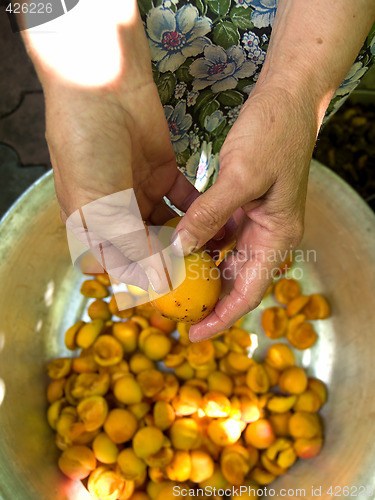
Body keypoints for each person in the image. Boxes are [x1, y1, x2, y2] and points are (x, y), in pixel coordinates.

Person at [21, 0, 375, 341]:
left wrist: (295, 92)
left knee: (244, 174)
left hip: (319, 34)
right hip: (137, 55)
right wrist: (86, 85)